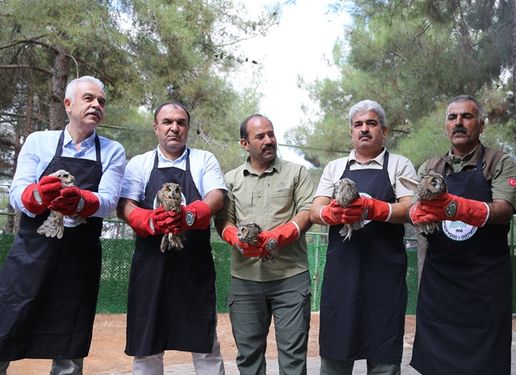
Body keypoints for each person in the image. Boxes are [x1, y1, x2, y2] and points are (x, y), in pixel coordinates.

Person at [0, 76, 126, 374]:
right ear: (68, 104)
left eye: (101, 101)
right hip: (31, 257)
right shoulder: (38, 141)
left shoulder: (112, 151)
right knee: (4, 330)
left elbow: (108, 201)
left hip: (78, 262)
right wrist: (37, 196)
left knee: (69, 347)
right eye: (89, 98)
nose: (96, 105)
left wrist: (80, 201)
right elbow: (17, 193)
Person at [408, 95, 516, 374]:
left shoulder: (498, 161)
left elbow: (503, 209)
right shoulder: (430, 167)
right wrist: (414, 213)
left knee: (486, 363)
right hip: (441, 282)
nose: (458, 123)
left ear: (481, 125)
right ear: (446, 126)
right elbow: (414, 208)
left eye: (466, 117)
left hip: (485, 282)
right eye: (452, 118)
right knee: (437, 363)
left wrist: (456, 207)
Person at [117, 102, 226, 374]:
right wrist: (147, 220)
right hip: (150, 268)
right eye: (167, 122)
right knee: (147, 347)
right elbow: (125, 205)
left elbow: (216, 197)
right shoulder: (139, 163)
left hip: (194, 268)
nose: (174, 127)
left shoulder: (204, 160)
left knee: (206, 345)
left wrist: (189, 215)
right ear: (156, 127)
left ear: (187, 128)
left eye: (180, 122)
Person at [309, 99, 417, 374]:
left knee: (384, 352)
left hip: (384, 275)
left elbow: (411, 209)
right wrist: (331, 214)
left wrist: (373, 207)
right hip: (342, 274)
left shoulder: (399, 165)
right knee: (335, 349)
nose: (364, 129)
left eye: (371, 123)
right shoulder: (335, 167)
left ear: (384, 130)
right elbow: (315, 210)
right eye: (358, 124)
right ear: (351, 131)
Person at [214, 114, 314, 375]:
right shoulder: (231, 179)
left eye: (271, 134)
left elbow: (306, 211)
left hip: (291, 278)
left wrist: (280, 235)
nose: (269, 140)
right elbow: (224, 220)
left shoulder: (297, 172)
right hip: (245, 279)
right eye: (260, 136)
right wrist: (235, 237)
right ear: (244, 143)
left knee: (293, 358)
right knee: (248, 356)